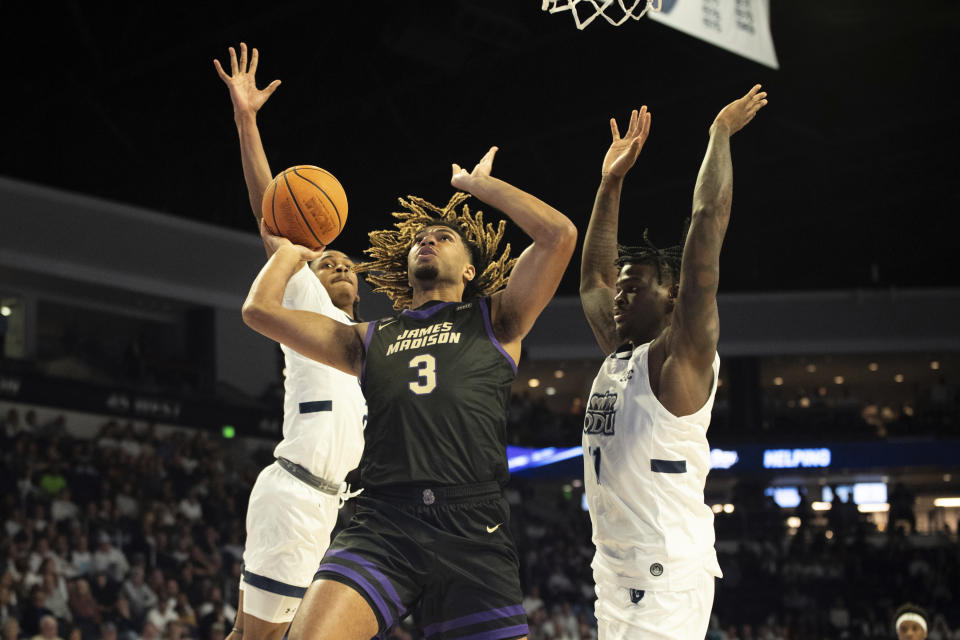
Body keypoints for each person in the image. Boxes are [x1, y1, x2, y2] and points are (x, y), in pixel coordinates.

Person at [242, 142, 577, 636]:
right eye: (422, 239)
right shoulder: (367, 338)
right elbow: (259, 312)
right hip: (383, 523)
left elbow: (559, 235)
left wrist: (480, 188)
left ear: (470, 270)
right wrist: (291, 250)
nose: (428, 241)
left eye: (443, 237)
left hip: (472, 528)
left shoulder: (497, 320)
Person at [578, 86, 768, 639]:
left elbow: (708, 221)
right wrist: (610, 183)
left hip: (662, 574)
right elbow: (592, 276)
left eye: (634, 288)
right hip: (616, 569)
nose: (619, 295)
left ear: (671, 296)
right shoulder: (620, 355)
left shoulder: (677, 360)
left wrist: (719, 134)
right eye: (622, 286)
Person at [214, 43, 368, 640]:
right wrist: (247, 121)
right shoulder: (310, 310)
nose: (340, 268)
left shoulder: (368, 345)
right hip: (298, 495)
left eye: (347, 265)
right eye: (325, 261)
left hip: (338, 511)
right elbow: (270, 214)